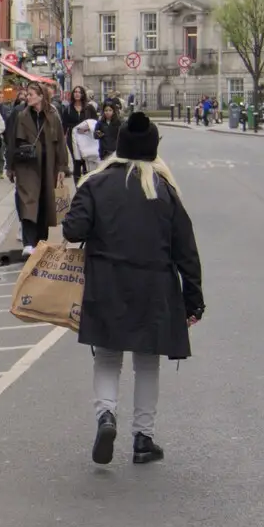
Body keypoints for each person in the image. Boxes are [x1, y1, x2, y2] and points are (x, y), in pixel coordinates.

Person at [63, 113, 204, 465]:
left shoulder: (96, 184)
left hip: (106, 284)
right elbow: (185, 249)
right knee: (147, 363)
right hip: (154, 287)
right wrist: (193, 300)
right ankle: (143, 439)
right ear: (153, 150)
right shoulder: (164, 188)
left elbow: (73, 230)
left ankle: (106, 416)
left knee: (108, 357)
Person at [5, 82, 69, 255]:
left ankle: (40, 241)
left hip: (48, 165)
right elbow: (12, 142)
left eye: (31, 94)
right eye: (27, 94)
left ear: (41, 96)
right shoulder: (21, 115)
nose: (28, 97)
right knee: (27, 202)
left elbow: (61, 143)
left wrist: (62, 167)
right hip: (26, 165)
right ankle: (28, 242)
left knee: (44, 202)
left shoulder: (53, 116)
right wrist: (10, 167)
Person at [59, 86, 91, 180]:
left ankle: (86, 183)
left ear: (82, 94)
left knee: (86, 161)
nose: (77, 94)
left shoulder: (88, 108)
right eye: (75, 92)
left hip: (86, 137)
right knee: (76, 161)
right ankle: (77, 186)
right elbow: (64, 126)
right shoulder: (68, 109)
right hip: (72, 138)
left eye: (79, 92)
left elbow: (94, 123)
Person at [72, 102, 101, 173]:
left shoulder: (80, 127)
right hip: (95, 152)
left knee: (86, 169)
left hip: (85, 152)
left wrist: (77, 156)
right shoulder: (98, 123)